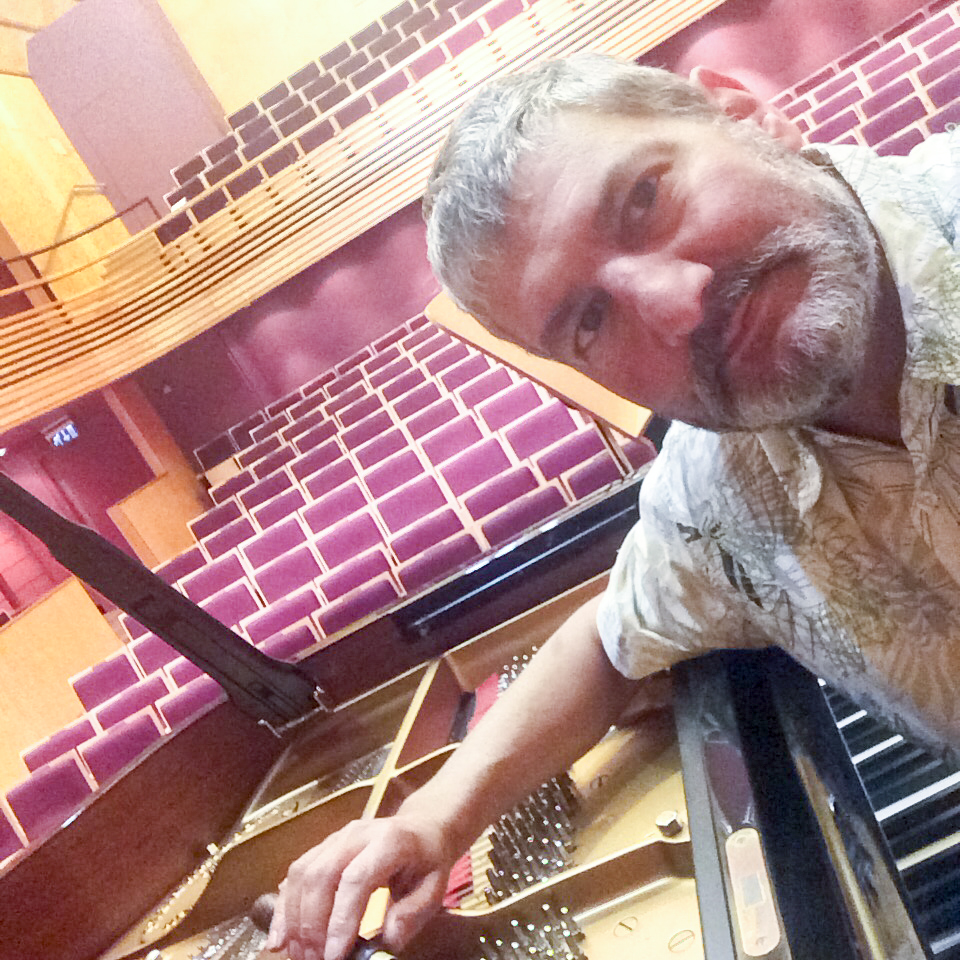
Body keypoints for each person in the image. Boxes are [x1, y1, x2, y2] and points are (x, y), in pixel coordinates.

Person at [267, 53, 960, 960]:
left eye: (646, 198)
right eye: (589, 321)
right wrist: (433, 818)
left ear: (743, 110)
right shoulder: (721, 495)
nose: (678, 306)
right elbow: (607, 639)